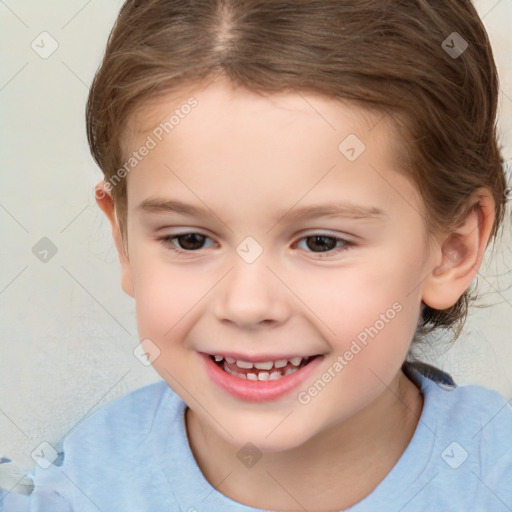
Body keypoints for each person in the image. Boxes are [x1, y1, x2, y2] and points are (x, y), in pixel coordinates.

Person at [2, 0, 511, 510]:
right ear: (125, 241)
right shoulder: (76, 496)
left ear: (452, 249)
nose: (247, 304)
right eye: (190, 240)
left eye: (321, 242)